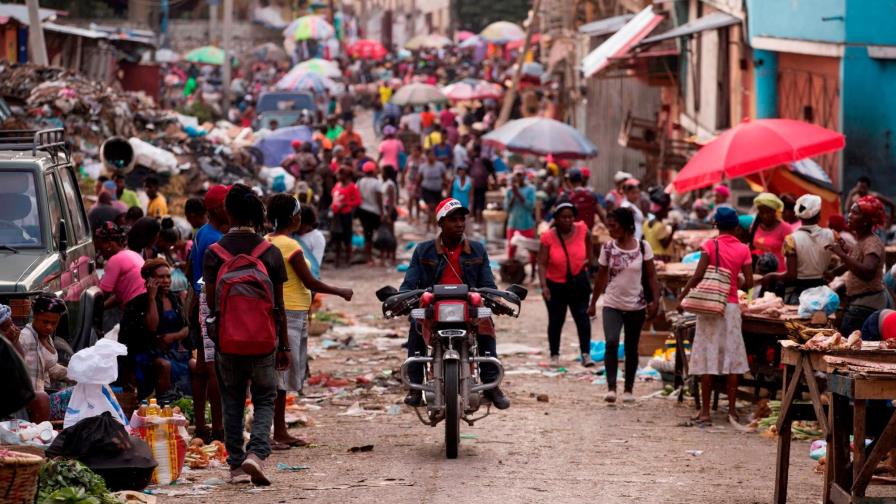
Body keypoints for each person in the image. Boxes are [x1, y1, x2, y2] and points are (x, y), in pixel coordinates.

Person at [202, 184, 289, 486]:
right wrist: (285, 346)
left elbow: (211, 304)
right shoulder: (271, 252)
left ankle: (237, 466)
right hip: (265, 339)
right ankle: (258, 453)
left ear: (228, 211)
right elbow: (279, 306)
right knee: (265, 397)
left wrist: (210, 342)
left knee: (232, 400)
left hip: (228, 340)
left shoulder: (215, 253)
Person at [399, 198, 510, 410]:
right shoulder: (423, 251)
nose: (460, 224)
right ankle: (415, 386)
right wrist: (402, 298)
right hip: (433, 307)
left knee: (487, 325)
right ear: (440, 223)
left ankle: (490, 384)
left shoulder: (478, 250)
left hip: (469, 307)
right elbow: (409, 283)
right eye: (453, 220)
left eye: (462, 219)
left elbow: (487, 283)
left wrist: (495, 299)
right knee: (415, 325)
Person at [265, 195, 353, 449]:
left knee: (279, 374)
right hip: (290, 312)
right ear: (293, 218)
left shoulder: (267, 241)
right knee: (282, 374)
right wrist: (341, 291)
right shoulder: (290, 247)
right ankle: (277, 432)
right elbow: (310, 282)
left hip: (282, 311)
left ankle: (279, 430)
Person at [677, 207, 753, 425]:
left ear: (715, 225)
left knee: (707, 357)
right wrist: (734, 282)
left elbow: (698, 275)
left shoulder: (709, 245)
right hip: (730, 308)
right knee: (731, 358)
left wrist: (683, 295)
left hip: (710, 307)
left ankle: (705, 413)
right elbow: (749, 283)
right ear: (736, 226)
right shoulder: (744, 249)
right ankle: (732, 411)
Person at [589, 207, 659, 404]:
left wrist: (655, 300)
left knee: (631, 347)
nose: (610, 230)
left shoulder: (643, 247)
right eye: (609, 226)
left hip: (636, 306)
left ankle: (628, 389)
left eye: (614, 226)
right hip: (612, 304)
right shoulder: (608, 249)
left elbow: (652, 276)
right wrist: (593, 302)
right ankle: (611, 387)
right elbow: (601, 278)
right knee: (611, 342)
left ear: (626, 226)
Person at [186, 185, 229, 444]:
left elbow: (191, 267)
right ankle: (219, 429)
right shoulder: (215, 239)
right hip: (211, 303)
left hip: (199, 298)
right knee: (214, 370)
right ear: (216, 209)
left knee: (202, 367)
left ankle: (201, 425)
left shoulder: (203, 232)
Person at [538, 203, 594, 366]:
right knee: (556, 320)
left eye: (570, 216)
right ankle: (554, 354)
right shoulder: (548, 237)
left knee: (582, 318)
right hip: (555, 284)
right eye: (563, 217)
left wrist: (590, 258)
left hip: (578, 282)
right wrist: (544, 286)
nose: (567, 220)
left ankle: (586, 354)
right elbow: (541, 263)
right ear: (556, 219)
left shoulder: (582, 229)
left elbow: (590, 238)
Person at [827, 196, 887, 334]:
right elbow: (856, 259)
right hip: (860, 303)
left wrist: (841, 255)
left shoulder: (872, 242)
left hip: (865, 306)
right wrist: (833, 273)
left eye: (855, 213)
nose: (849, 216)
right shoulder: (863, 241)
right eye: (850, 212)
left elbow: (868, 271)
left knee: (848, 345)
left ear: (866, 221)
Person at [761, 195, 836, 304]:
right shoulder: (832, 235)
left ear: (798, 216)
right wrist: (834, 272)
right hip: (823, 293)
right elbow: (853, 256)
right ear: (819, 215)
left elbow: (791, 275)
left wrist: (772, 276)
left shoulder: (791, 239)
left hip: (801, 295)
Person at [137, 258, 191, 401]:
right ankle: (165, 404)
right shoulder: (141, 302)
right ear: (150, 280)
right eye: (161, 277)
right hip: (151, 353)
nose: (166, 280)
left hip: (176, 351)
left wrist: (173, 336)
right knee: (165, 366)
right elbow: (152, 327)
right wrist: (152, 298)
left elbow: (187, 327)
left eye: (168, 276)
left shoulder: (176, 299)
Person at [15, 294, 70, 422]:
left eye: (54, 323)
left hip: (41, 395)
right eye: (45, 322)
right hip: (31, 404)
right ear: (34, 316)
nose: (49, 327)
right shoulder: (25, 338)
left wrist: (77, 375)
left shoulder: (46, 337)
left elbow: (49, 368)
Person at [96, 222, 146, 338]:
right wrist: (102, 307)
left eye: (100, 246)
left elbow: (103, 294)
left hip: (135, 310)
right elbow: (120, 296)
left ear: (109, 244)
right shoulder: (132, 254)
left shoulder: (115, 260)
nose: (99, 252)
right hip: (145, 306)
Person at [505, 165, 537, 281]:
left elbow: (530, 206)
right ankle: (511, 274)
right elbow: (507, 209)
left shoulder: (531, 189)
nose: (519, 177)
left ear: (524, 176)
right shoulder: (509, 190)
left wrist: (518, 194)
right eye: (517, 175)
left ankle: (533, 272)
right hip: (513, 223)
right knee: (511, 249)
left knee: (532, 250)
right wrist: (514, 194)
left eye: (521, 175)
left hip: (527, 223)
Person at [750, 193, 790, 275]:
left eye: (768, 212)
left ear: (775, 211)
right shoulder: (754, 226)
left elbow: (790, 254)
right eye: (761, 212)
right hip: (758, 273)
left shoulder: (786, 229)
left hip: (778, 274)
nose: (765, 216)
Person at [330, 166, 361, 267]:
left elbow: (357, 201)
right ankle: (337, 259)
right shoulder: (337, 184)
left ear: (346, 176)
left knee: (347, 237)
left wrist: (346, 204)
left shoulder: (352, 186)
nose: (338, 176)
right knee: (337, 237)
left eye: (340, 174)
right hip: (336, 215)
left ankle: (348, 259)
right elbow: (333, 195)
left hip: (345, 215)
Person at [357, 162, 383, 265]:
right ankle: (378, 256)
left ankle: (368, 257)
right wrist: (382, 212)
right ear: (373, 170)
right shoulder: (376, 182)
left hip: (363, 210)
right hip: (374, 211)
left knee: (367, 233)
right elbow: (379, 198)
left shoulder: (360, 181)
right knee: (377, 234)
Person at [418, 149, 448, 231]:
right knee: (431, 206)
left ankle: (430, 224)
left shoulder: (440, 165)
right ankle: (432, 226)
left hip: (437, 190)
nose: (432, 157)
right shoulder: (423, 166)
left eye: (433, 155)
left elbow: (444, 177)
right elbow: (419, 178)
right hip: (427, 189)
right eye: (430, 155)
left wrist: (446, 188)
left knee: (435, 208)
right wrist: (417, 189)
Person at [643, 190, 675, 262]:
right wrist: (673, 231)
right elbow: (664, 245)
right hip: (661, 258)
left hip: (651, 256)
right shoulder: (660, 226)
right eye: (666, 210)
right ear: (661, 211)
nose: (667, 212)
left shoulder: (646, 223)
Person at [296, 206, 325, 279]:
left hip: (308, 276)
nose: (299, 228)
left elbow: (315, 264)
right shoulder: (291, 234)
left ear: (310, 224)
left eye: (303, 226)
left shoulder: (317, 237)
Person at [380, 165, 399, 266]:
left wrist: (388, 215)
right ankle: (387, 255)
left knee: (390, 234)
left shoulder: (390, 184)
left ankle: (393, 256)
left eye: (382, 171)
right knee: (386, 234)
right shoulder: (385, 183)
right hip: (386, 210)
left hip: (389, 211)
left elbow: (391, 201)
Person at [405, 145, 424, 223]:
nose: (414, 152)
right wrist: (403, 178)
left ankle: (417, 217)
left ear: (420, 152)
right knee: (410, 198)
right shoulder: (409, 158)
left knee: (417, 199)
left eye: (416, 151)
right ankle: (410, 216)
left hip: (419, 182)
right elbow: (406, 168)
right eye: (413, 151)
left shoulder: (422, 160)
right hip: (410, 180)